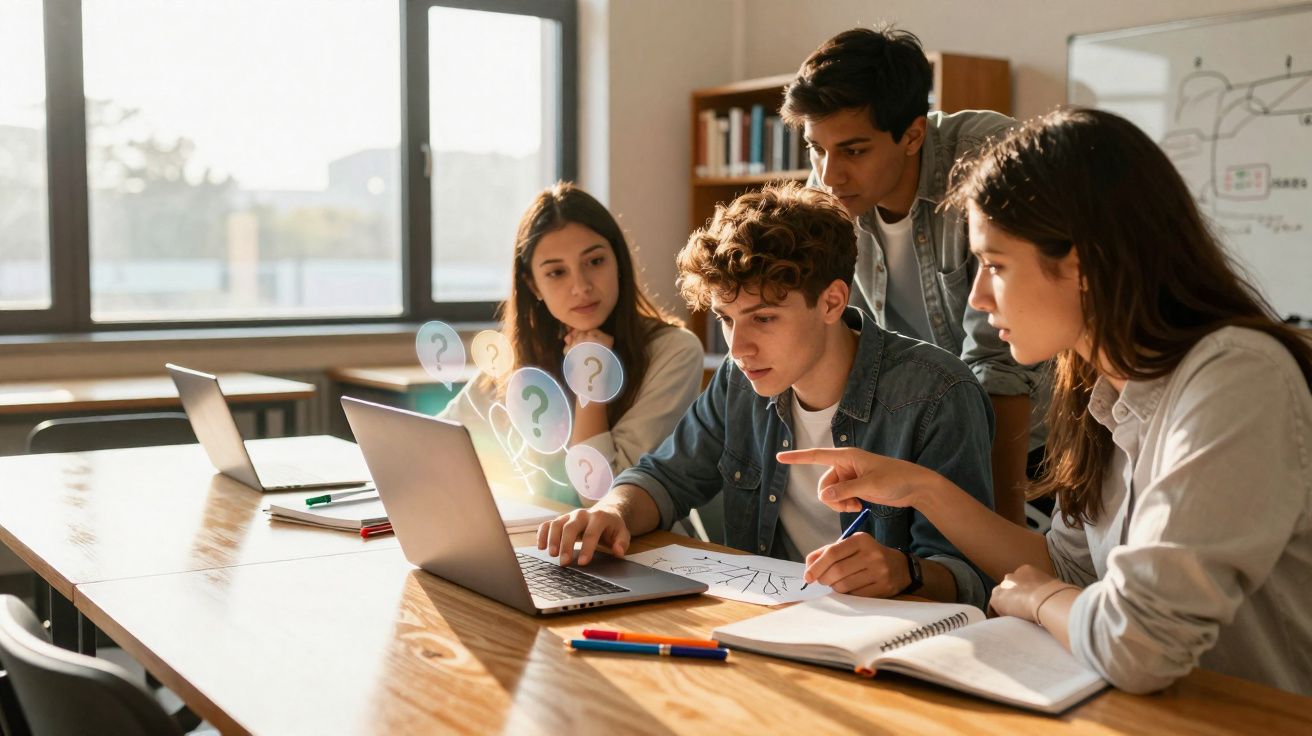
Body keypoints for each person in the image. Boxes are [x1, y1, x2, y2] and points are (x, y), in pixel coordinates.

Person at [779, 108, 1312, 695]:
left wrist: (1041, 600)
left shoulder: (1236, 378)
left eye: (995, 265)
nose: (978, 298)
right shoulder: (1103, 386)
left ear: (1083, 265)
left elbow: (1138, 642)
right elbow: (1072, 566)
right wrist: (919, 487)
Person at [537, 182, 996, 607]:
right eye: (726, 318)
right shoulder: (742, 380)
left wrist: (907, 572)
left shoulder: (938, 395)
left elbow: (973, 578)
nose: (737, 348)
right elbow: (667, 478)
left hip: (881, 643)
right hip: (763, 623)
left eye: (764, 318)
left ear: (833, 302)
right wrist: (612, 511)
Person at [781, 25, 1044, 526]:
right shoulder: (830, 188)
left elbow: (999, 367)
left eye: (854, 151)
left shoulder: (988, 158)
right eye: (816, 148)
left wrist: (1001, 534)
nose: (829, 174)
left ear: (913, 135)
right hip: (921, 441)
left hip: (1035, 448)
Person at [440, 182, 703, 507]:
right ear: (532, 284)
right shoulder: (521, 353)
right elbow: (437, 440)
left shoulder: (674, 351)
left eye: (595, 262)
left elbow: (603, 502)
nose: (581, 286)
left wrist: (590, 382)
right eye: (556, 273)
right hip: (537, 542)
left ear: (618, 262)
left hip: (636, 550)